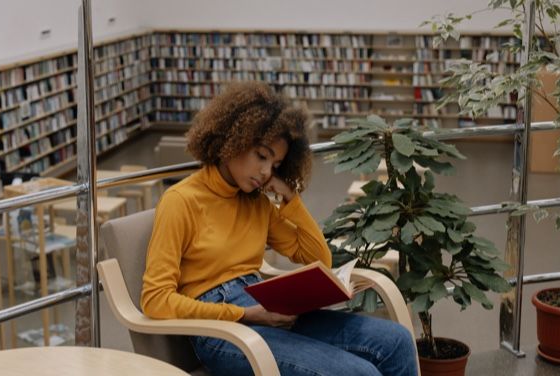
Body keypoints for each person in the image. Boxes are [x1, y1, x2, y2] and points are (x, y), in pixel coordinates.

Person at [141, 82, 417, 376]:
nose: (266, 172)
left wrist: (291, 199)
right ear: (232, 139)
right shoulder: (181, 201)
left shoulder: (256, 203)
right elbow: (155, 299)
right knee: (360, 373)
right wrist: (245, 314)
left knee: (397, 341)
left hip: (265, 306)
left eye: (275, 164)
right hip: (221, 329)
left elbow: (318, 257)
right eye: (262, 156)